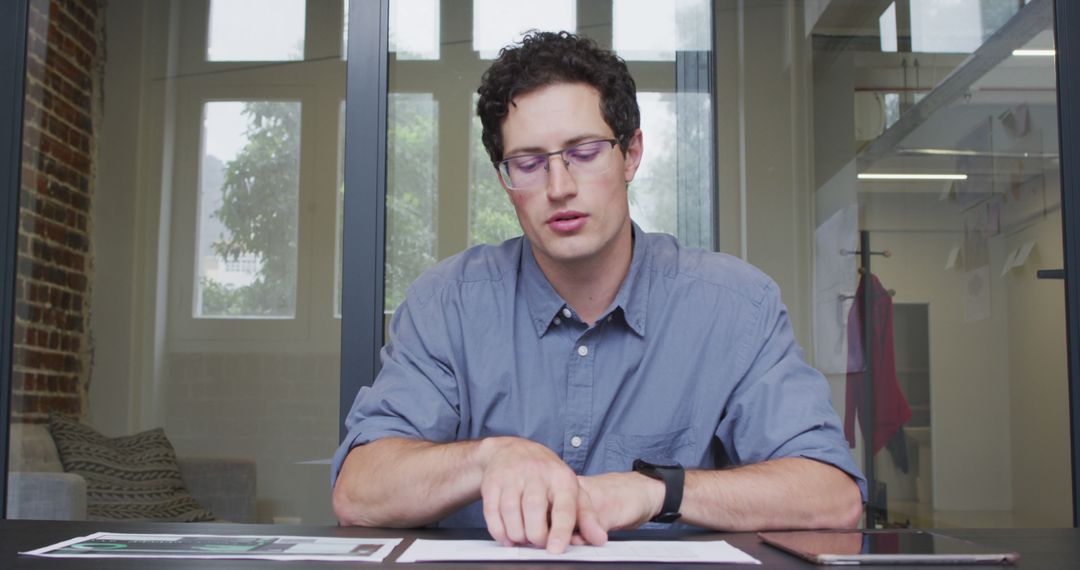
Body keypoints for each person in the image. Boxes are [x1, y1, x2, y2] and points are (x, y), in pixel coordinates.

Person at [332, 31, 865, 554]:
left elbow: (832, 498)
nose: (559, 186)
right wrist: (490, 458)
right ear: (505, 180)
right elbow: (358, 492)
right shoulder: (447, 303)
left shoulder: (734, 305)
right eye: (529, 162)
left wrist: (658, 491)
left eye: (584, 152)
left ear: (631, 155)